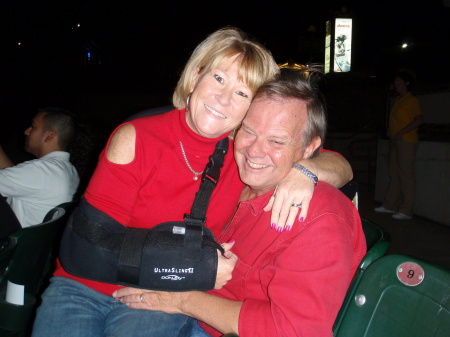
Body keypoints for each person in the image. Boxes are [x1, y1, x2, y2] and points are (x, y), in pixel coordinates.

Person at [32, 27, 353, 337]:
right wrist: (193, 267)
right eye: (218, 78)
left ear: (250, 108)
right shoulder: (137, 138)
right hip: (83, 287)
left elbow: (327, 159)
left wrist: (307, 171)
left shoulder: (242, 159)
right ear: (196, 74)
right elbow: (84, 251)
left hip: (162, 295)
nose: (224, 99)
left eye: (242, 92)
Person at [114, 69, 367, 337]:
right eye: (249, 131)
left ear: (308, 149)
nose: (254, 151)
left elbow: (295, 330)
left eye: (276, 141)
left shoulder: (318, 218)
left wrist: (182, 300)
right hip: (191, 301)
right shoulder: (233, 174)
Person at [0, 107, 81, 230]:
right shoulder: (68, 171)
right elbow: (16, 178)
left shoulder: (40, 171)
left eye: (33, 127)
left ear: (49, 136)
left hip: (14, 246)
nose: (26, 131)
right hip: (37, 246)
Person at [375, 70, 423, 220]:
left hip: (407, 141)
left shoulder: (411, 100)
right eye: (395, 82)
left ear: (407, 83)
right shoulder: (398, 100)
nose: (396, 85)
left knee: (406, 175)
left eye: (399, 82)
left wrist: (402, 132)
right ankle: (390, 205)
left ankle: (406, 210)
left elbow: (418, 120)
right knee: (394, 173)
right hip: (395, 140)